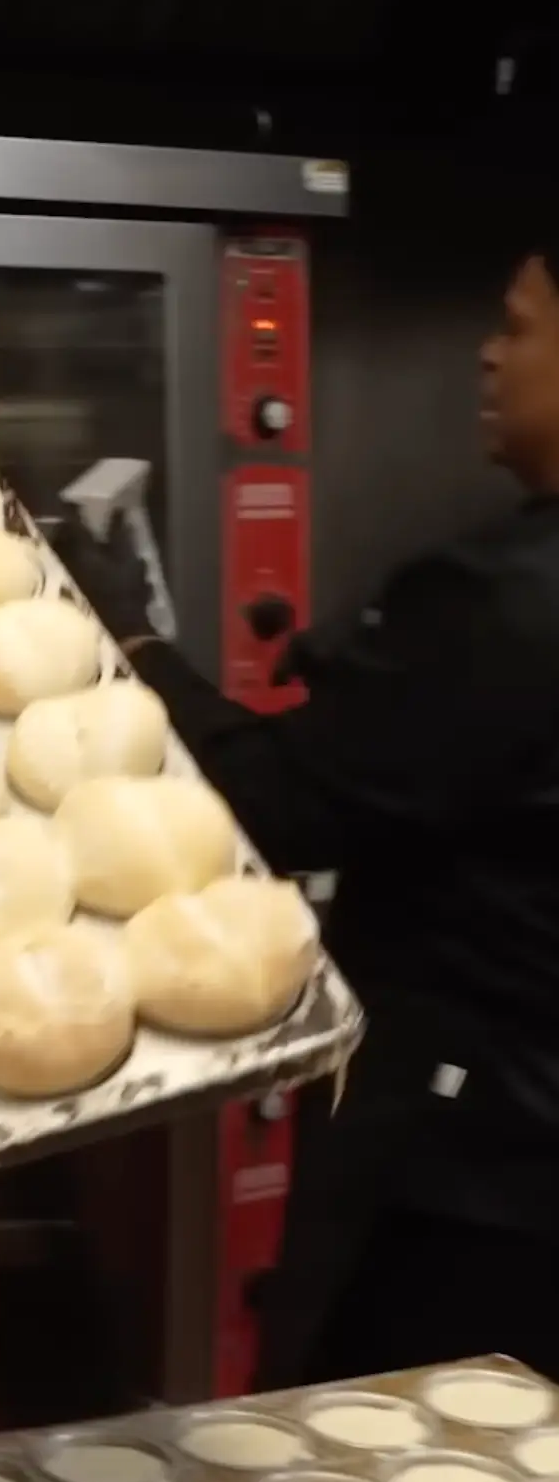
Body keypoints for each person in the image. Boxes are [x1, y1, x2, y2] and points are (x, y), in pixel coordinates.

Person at [52, 237, 559, 1385]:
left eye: (521, 327)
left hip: (482, 1177)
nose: (488, 355)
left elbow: (278, 806)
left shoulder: (511, 597)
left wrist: (128, 636)